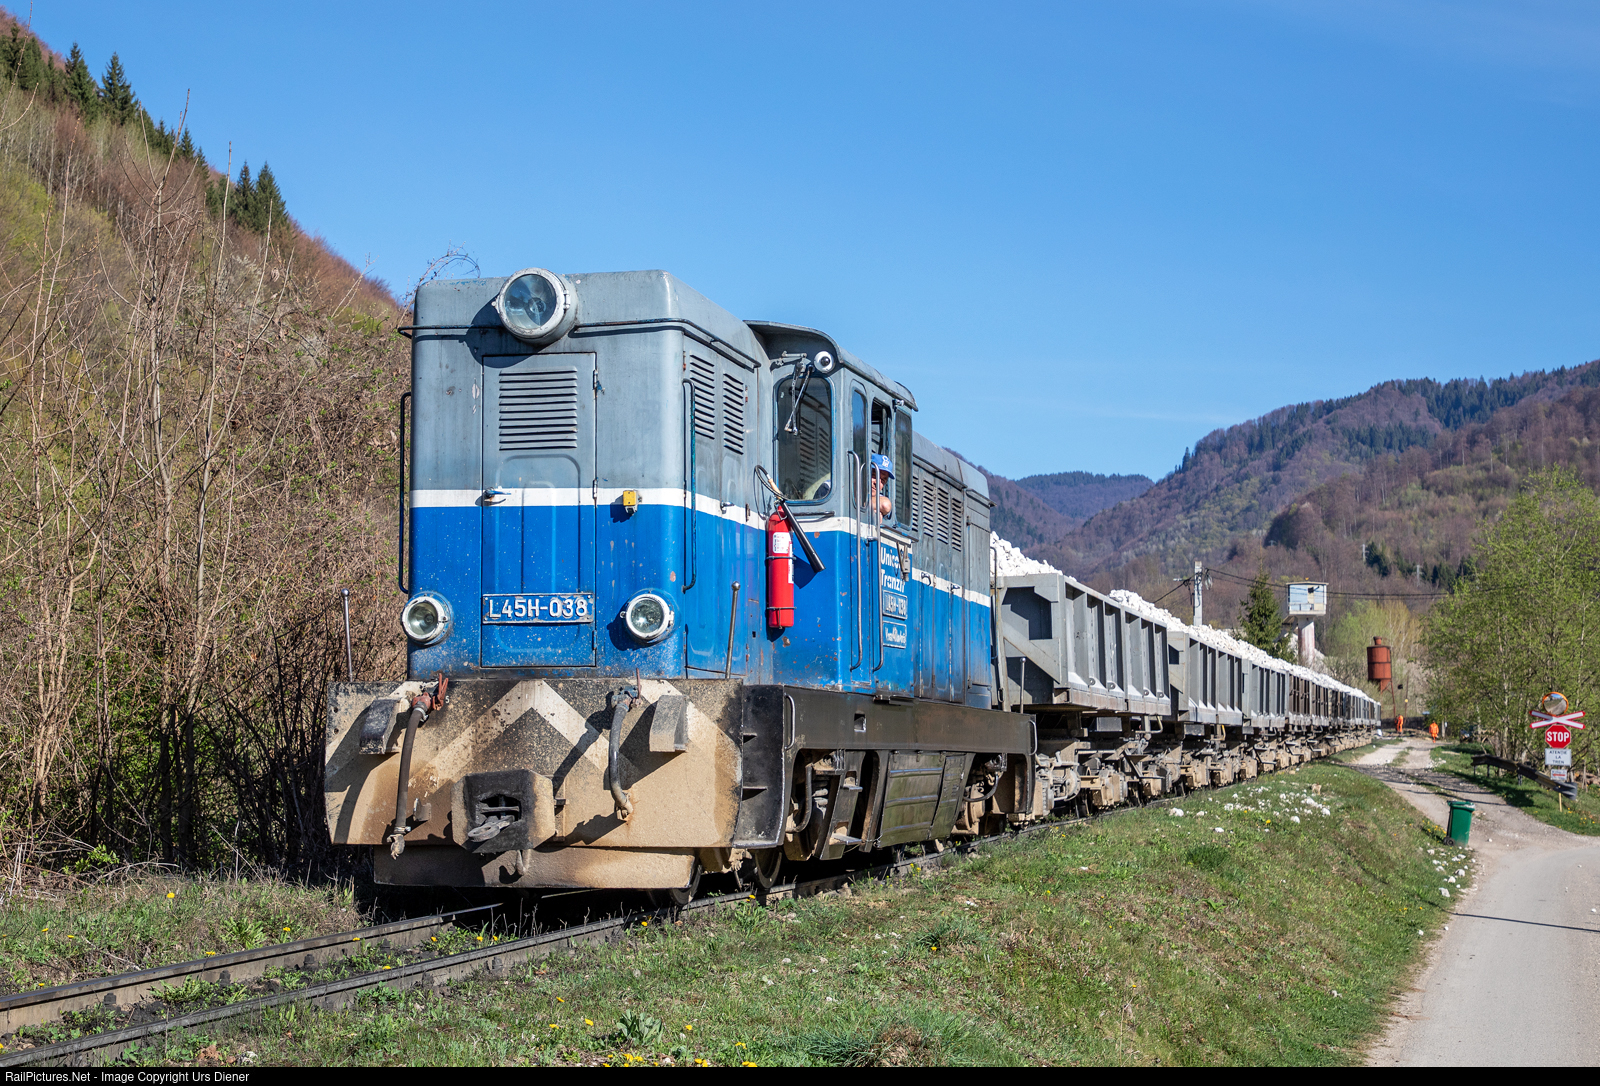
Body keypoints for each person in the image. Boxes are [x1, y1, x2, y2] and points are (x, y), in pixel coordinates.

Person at [868, 453, 894, 519]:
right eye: (874, 475)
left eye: (883, 480)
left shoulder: (881, 498)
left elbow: (886, 505)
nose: (877, 483)